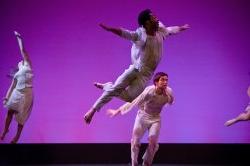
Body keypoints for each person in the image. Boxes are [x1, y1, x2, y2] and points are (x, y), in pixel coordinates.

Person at [84, 9, 189, 124]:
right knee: (116, 89)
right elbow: (125, 33)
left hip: (146, 75)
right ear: (147, 23)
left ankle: (107, 86)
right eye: (153, 17)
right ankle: (92, 110)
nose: (157, 18)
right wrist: (110, 29)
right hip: (135, 68)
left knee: (129, 98)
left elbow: (170, 30)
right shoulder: (140, 35)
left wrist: (181, 28)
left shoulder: (160, 31)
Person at [107, 72, 174, 166]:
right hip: (142, 117)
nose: (165, 82)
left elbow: (171, 101)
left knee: (153, 143)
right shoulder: (149, 91)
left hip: (156, 118)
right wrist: (117, 111)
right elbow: (134, 101)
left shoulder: (169, 91)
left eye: (166, 80)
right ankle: (134, 163)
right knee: (135, 142)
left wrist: (168, 96)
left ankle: (146, 163)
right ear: (156, 82)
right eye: (162, 80)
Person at [1, 31, 34, 144]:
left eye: (22, 60)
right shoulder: (17, 74)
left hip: (27, 93)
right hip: (17, 92)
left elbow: (23, 51)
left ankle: (17, 137)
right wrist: (6, 98)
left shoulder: (28, 65)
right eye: (19, 62)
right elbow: (11, 87)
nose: (20, 61)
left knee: (22, 117)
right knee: (10, 111)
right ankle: (5, 129)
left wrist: (19, 38)